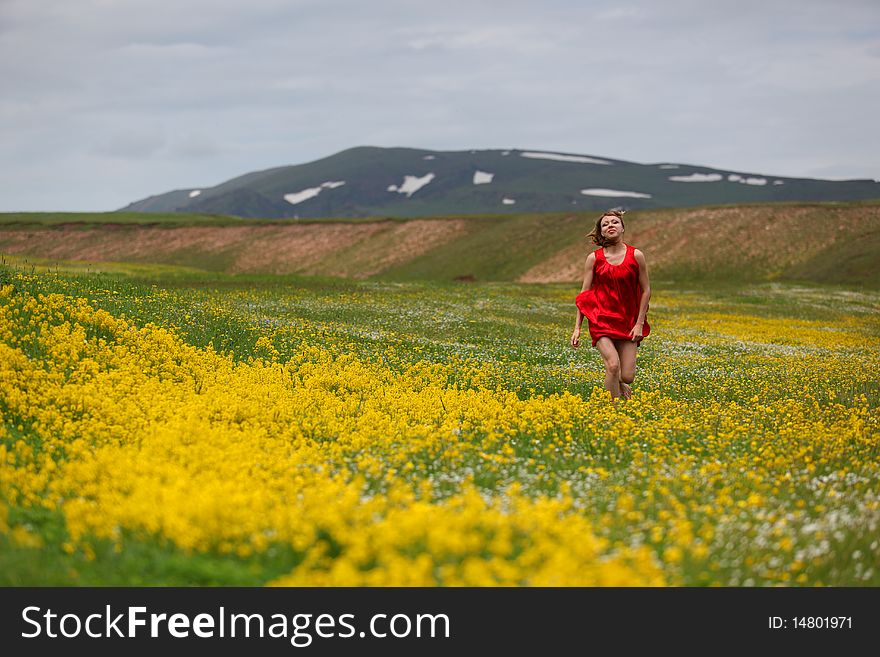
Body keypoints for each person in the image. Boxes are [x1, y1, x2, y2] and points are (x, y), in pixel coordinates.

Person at [570, 210, 651, 400]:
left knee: (627, 376)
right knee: (613, 366)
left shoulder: (636, 255)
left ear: (622, 228)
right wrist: (577, 328)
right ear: (601, 232)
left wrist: (639, 323)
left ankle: (621, 384)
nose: (610, 225)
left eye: (615, 222)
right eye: (605, 224)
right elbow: (584, 294)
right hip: (601, 319)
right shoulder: (594, 259)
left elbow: (646, 290)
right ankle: (612, 411)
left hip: (628, 321)